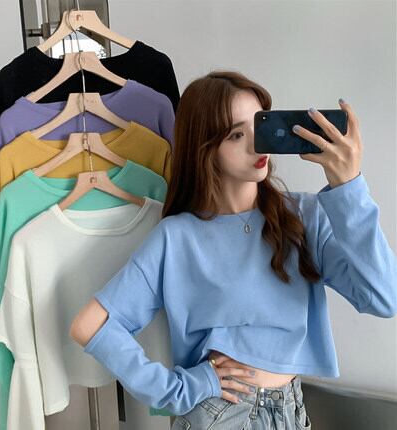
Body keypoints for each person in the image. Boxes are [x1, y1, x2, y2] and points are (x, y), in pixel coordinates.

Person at [70, 70, 397, 429]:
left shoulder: (304, 217)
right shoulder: (177, 237)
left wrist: (349, 188)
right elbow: (90, 324)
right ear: (205, 147)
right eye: (236, 134)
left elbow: (384, 298)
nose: (256, 144)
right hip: (221, 414)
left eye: (259, 124)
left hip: (290, 411)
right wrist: (176, 390)